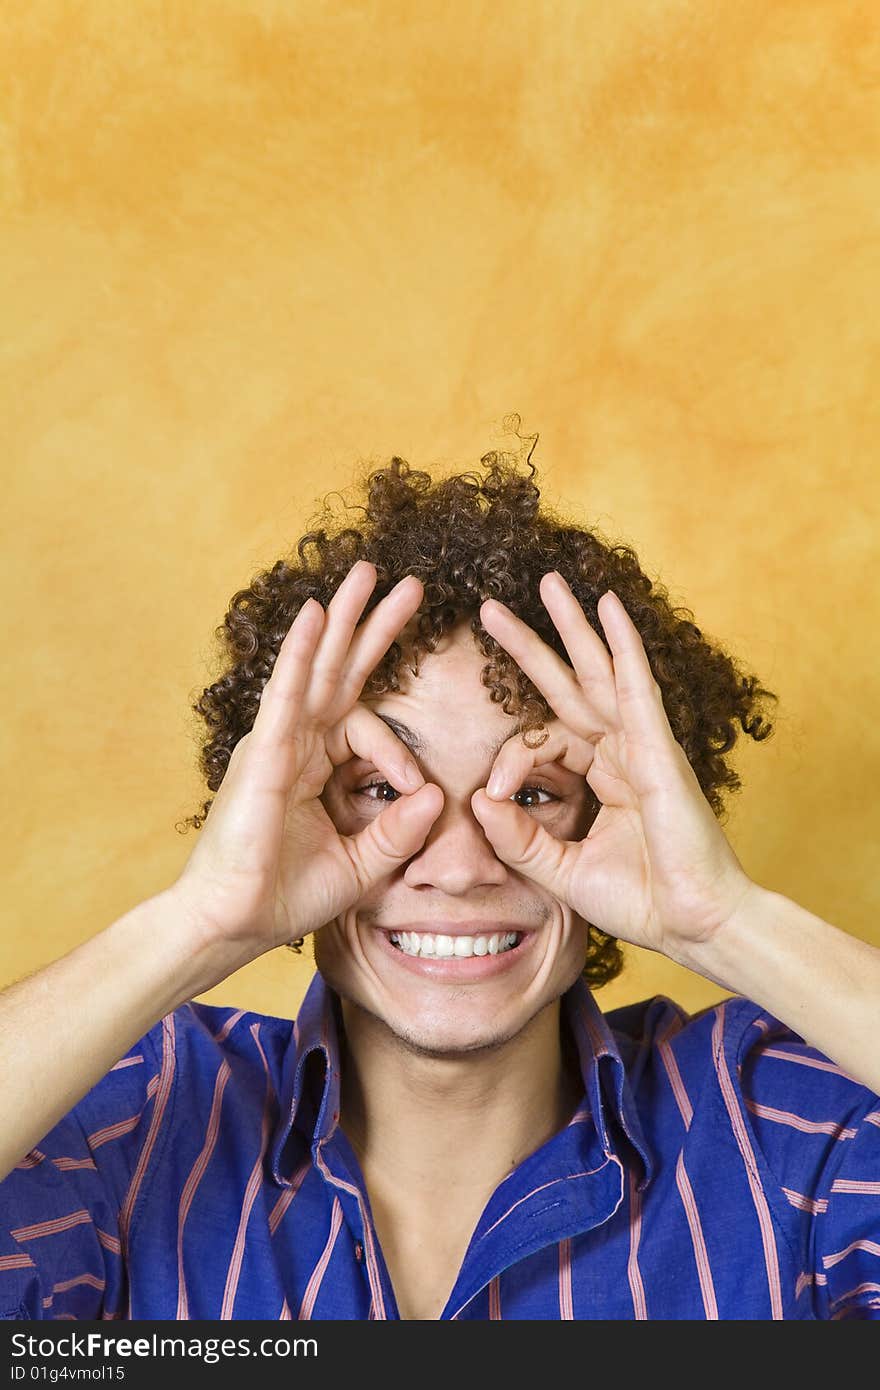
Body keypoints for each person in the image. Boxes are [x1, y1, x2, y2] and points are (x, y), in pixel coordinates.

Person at [1, 447, 878, 1322]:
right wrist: (196, 923)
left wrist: (720, 920)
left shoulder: (784, 1132)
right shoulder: (134, 1121)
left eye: (533, 793)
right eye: (381, 790)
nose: (459, 869)